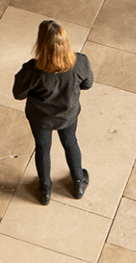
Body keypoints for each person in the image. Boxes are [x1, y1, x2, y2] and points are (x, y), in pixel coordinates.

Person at [13, 19, 93, 206]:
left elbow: (19, 94)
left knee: (42, 148)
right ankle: (79, 183)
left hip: (40, 118)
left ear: (41, 44)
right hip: (68, 116)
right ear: (66, 43)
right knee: (70, 142)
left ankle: (45, 189)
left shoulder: (32, 70)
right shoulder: (80, 62)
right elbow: (87, 84)